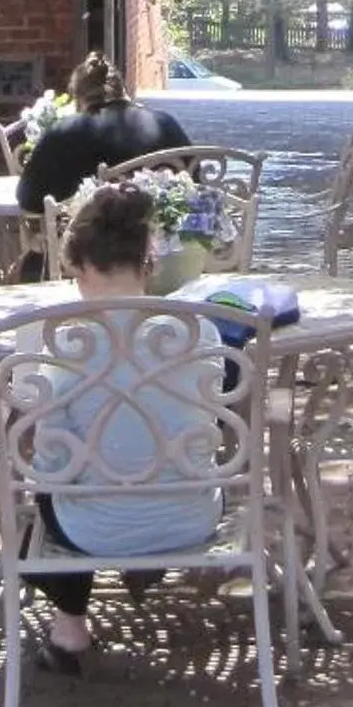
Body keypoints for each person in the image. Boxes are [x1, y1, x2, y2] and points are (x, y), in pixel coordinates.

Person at [18, 180, 225, 673]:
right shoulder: (202, 331)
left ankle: (70, 627)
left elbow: (52, 464)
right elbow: (209, 425)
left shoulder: (65, 347)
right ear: (147, 264)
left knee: (35, 498)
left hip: (93, 530)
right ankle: (145, 562)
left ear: (81, 264)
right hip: (193, 516)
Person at [13, 52, 190, 269]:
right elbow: (196, 182)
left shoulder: (63, 133)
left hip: (88, 260)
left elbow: (28, 199)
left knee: (27, 265)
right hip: (168, 255)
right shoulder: (164, 124)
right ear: (123, 91)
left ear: (79, 97)